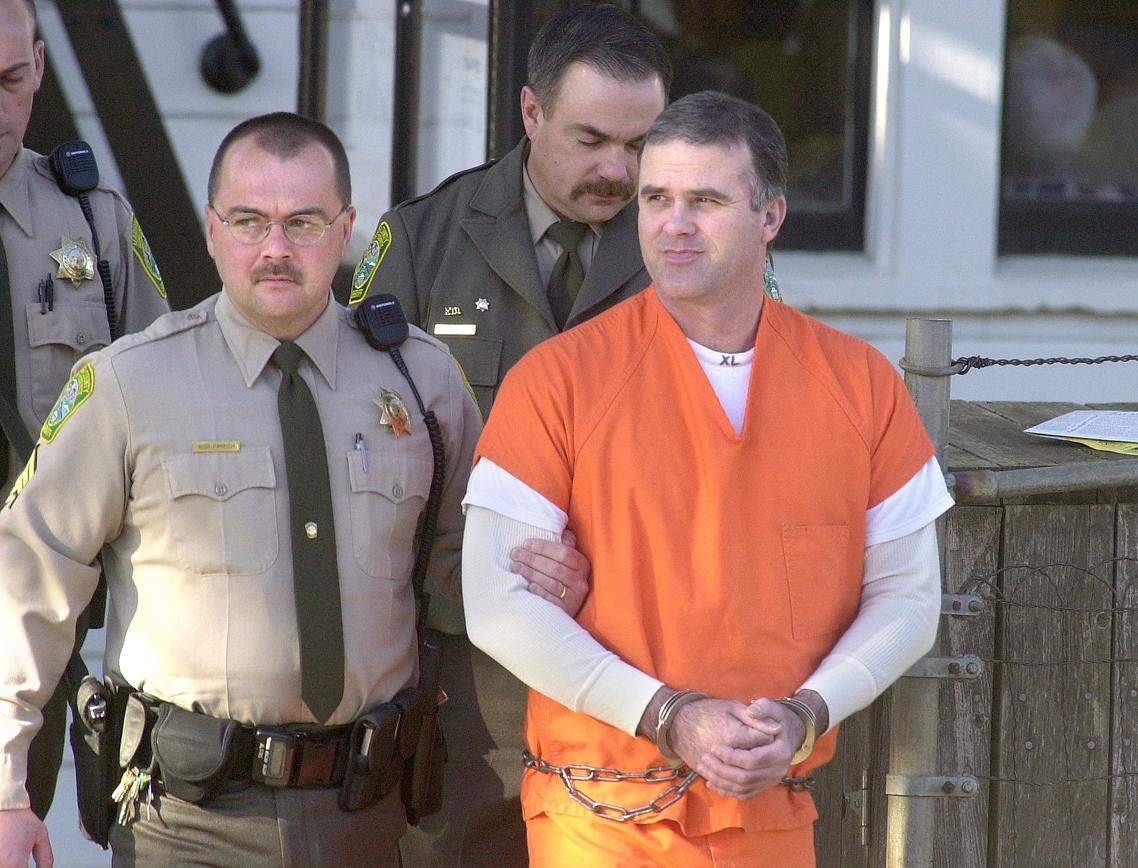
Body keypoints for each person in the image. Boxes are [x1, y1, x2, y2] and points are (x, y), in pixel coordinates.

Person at [461, 91, 956, 865]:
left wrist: (804, 716)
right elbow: (497, 603)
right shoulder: (557, 379)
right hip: (599, 818)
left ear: (771, 216)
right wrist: (669, 715)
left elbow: (909, 596)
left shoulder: (861, 384)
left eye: (707, 201)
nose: (674, 224)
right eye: (656, 198)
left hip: (772, 808)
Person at [0, 112, 487, 866]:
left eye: (304, 222)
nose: (275, 248)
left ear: (346, 229)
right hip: (186, 820)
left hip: (367, 813)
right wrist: (6, 790)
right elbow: (28, 581)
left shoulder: (422, 381)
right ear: (211, 228)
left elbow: (470, 572)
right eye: (249, 221)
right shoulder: (127, 384)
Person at [350, 5, 673, 863]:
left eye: (640, 144)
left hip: (640, 642)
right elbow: (362, 447)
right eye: (591, 139)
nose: (618, 170)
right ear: (531, 112)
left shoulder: (690, 242)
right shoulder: (424, 237)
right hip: (466, 647)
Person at [0, 0, 169, 823]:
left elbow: (161, 411)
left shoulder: (92, 218)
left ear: (39, 65)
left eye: (10, 79)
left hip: (37, 610)